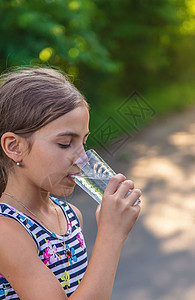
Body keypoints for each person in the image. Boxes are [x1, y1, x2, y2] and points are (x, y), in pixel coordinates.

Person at [0, 67, 141, 299]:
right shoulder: (6, 231)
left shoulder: (71, 216)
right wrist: (111, 235)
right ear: (15, 147)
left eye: (83, 142)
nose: (82, 158)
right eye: (65, 144)